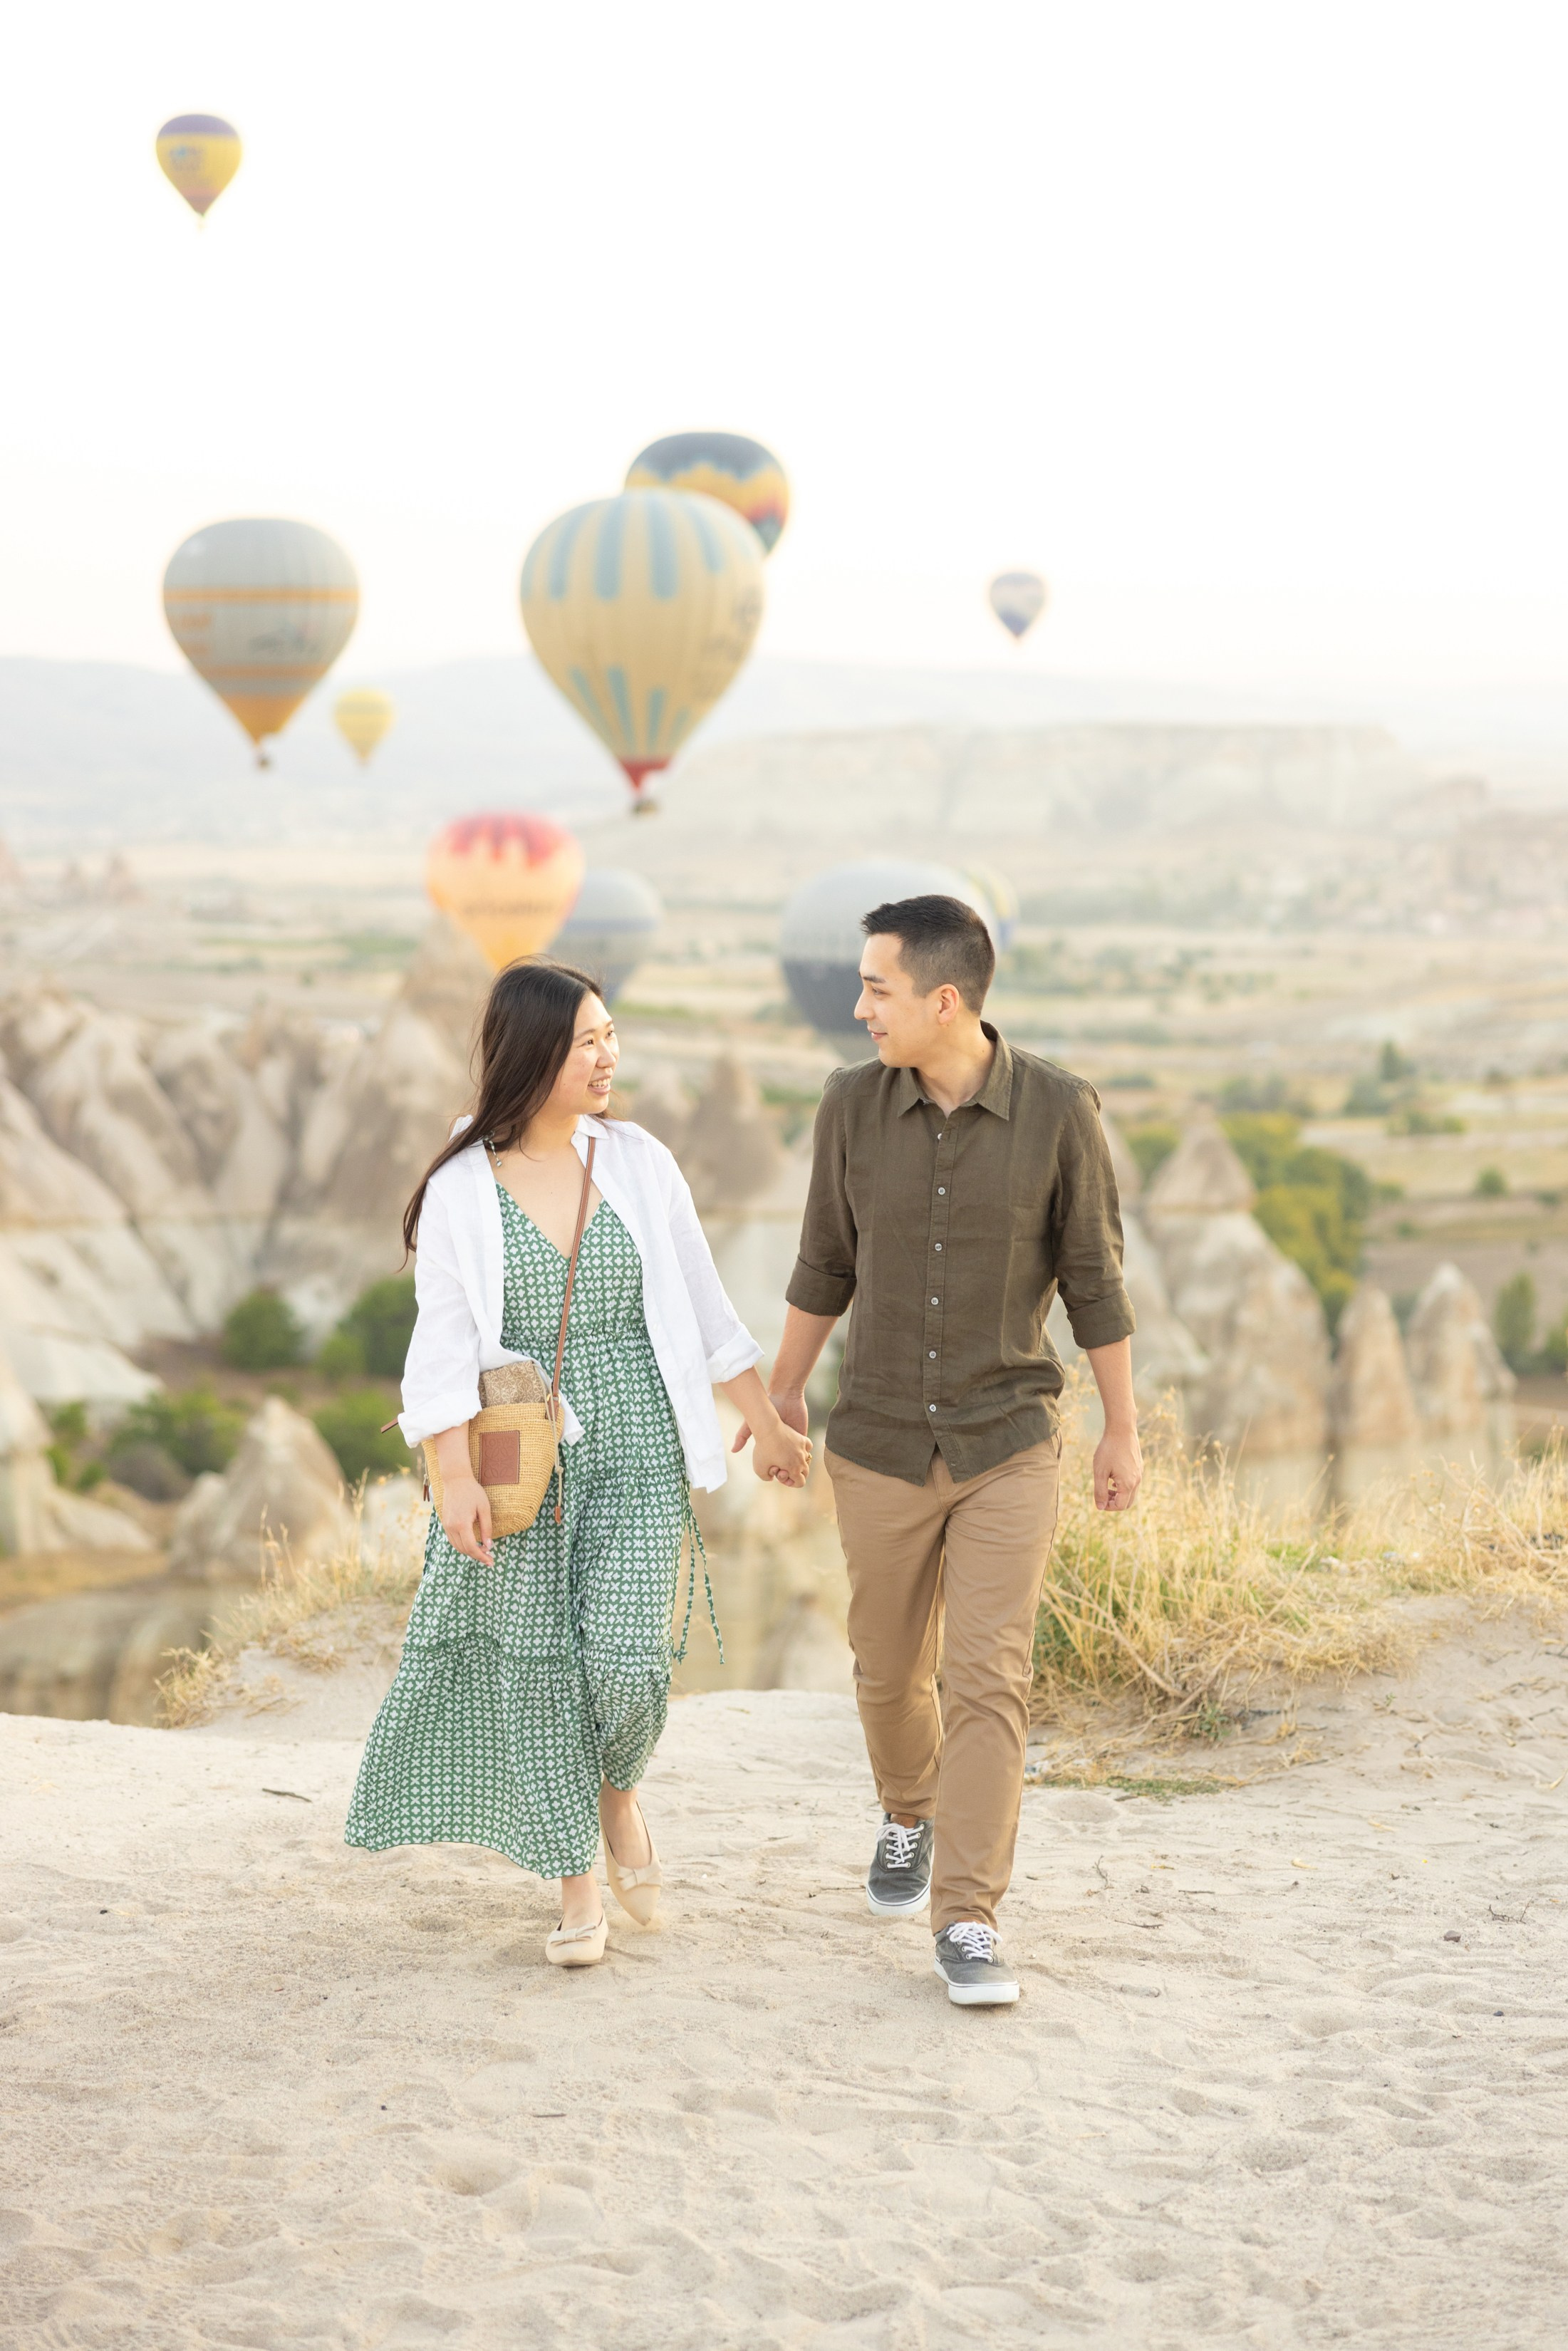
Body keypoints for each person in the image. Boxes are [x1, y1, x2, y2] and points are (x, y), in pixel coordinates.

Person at [346, 960, 811, 1968]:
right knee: (545, 1671)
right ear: (533, 1054)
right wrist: (453, 1476)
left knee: (628, 1666)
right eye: (588, 1041)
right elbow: (440, 1350)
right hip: (524, 1460)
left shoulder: (639, 1160)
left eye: (612, 1036)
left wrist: (765, 1418)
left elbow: (700, 1299)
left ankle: (618, 1798)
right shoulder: (462, 1192)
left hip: (641, 1440)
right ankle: (575, 1885)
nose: (609, 1056)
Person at [739, 896, 1141, 2007]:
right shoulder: (849, 1107)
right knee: (882, 1668)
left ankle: (967, 1917)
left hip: (1006, 1436)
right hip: (873, 1439)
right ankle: (905, 1811)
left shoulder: (1060, 1111)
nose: (860, 1008)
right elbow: (825, 1264)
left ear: (944, 999)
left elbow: (1093, 1280)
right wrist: (779, 1398)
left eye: (878, 988)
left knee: (987, 1675)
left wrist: (1121, 1428)